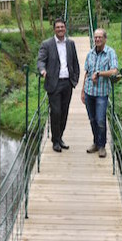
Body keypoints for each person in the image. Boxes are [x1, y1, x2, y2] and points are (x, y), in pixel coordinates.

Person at [37, 18, 80, 152]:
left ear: (65, 28)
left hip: (67, 83)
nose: (60, 29)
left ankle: (60, 138)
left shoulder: (70, 44)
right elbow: (41, 60)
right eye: (58, 27)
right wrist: (42, 70)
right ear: (54, 29)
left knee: (64, 113)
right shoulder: (47, 44)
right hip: (54, 84)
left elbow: (75, 62)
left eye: (62, 27)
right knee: (56, 112)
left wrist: (75, 79)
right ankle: (55, 141)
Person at [81, 28, 118, 158]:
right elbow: (86, 73)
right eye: (95, 37)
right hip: (89, 92)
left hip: (102, 93)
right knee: (92, 120)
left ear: (105, 39)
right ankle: (96, 143)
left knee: (101, 120)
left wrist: (99, 73)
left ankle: (102, 146)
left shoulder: (110, 53)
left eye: (100, 37)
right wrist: (82, 92)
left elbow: (114, 71)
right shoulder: (90, 54)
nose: (97, 39)